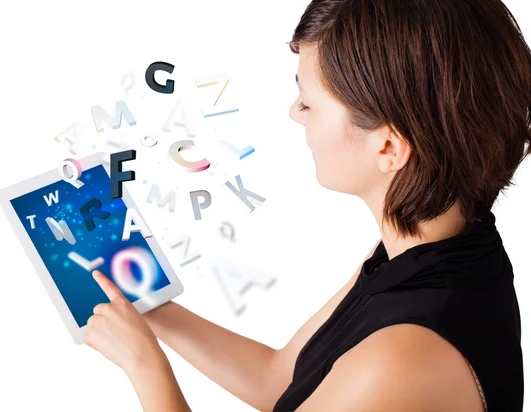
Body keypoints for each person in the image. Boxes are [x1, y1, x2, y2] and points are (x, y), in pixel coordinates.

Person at [83, 0, 531, 410]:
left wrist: (145, 365)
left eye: (310, 102)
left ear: (390, 148)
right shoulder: (431, 250)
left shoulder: (403, 355)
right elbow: (280, 379)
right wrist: (152, 305)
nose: (295, 112)